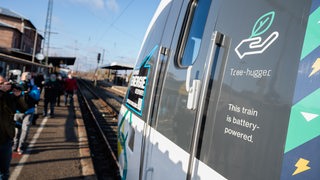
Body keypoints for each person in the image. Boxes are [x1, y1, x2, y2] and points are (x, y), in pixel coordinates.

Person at [0, 76, 27, 180]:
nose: (7, 85)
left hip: (6, 139)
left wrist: (18, 96)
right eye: (3, 83)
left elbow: (24, 108)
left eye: (7, 83)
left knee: (4, 172)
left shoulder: (9, 97)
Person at [12, 72, 39, 154]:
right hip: (17, 112)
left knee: (25, 130)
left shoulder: (33, 87)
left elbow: (37, 97)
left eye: (29, 76)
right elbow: (11, 94)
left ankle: (20, 146)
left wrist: (29, 92)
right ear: (22, 77)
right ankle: (15, 145)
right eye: (25, 76)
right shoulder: (16, 86)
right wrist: (21, 92)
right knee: (16, 130)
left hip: (29, 111)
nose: (27, 78)